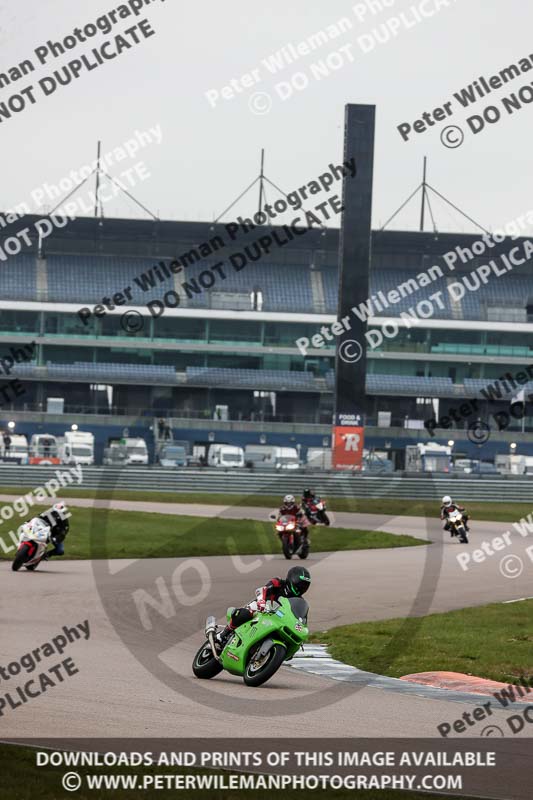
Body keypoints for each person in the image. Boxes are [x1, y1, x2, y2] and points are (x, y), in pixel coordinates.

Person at [216, 567, 311, 649]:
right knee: (248, 612)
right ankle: (223, 634)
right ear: (292, 579)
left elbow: (301, 619)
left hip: (275, 619)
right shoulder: (278, 583)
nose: (301, 588)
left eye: (305, 586)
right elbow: (262, 590)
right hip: (261, 608)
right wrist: (262, 601)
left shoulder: (298, 601)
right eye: (300, 584)